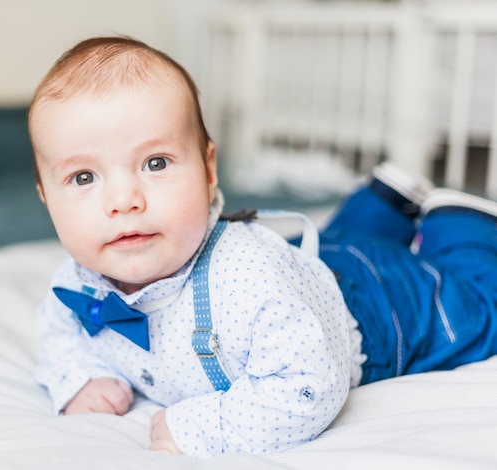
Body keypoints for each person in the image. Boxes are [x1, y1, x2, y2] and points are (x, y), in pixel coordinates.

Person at [29, 36, 497, 458]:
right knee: (330, 245)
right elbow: (60, 338)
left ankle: (462, 221)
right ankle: (385, 202)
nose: (124, 201)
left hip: (371, 307)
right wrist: (81, 378)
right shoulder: (75, 283)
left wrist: (199, 428)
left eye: (155, 163)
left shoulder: (252, 276)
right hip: (307, 264)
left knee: (469, 314)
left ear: (209, 169)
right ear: (46, 196)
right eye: (83, 177)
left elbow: (309, 388)